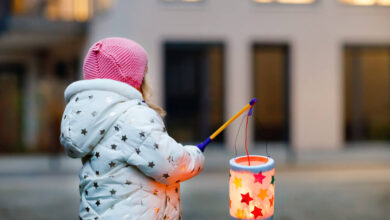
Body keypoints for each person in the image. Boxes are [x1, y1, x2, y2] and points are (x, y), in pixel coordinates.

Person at [60, 37, 205, 220]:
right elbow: (169, 164)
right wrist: (194, 155)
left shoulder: (94, 116)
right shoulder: (133, 117)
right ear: (135, 78)